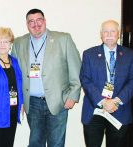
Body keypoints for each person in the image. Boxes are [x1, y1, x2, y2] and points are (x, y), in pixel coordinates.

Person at [11, 8, 81, 147]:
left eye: (39, 20)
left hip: (59, 101)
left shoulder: (63, 39)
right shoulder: (19, 43)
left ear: (45, 21)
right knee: (36, 142)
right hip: (32, 103)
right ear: (27, 24)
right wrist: (19, 101)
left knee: (56, 143)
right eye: (31, 21)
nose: (35, 24)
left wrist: (73, 96)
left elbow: (76, 69)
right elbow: (15, 75)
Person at [80, 20, 133, 147]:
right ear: (101, 34)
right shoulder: (89, 54)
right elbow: (85, 79)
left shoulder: (130, 55)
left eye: (112, 31)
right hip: (94, 110)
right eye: (106, 31)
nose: (109, 34)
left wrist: (116, 100)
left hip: (120, 110)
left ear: (118, 34)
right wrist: (103, 102)